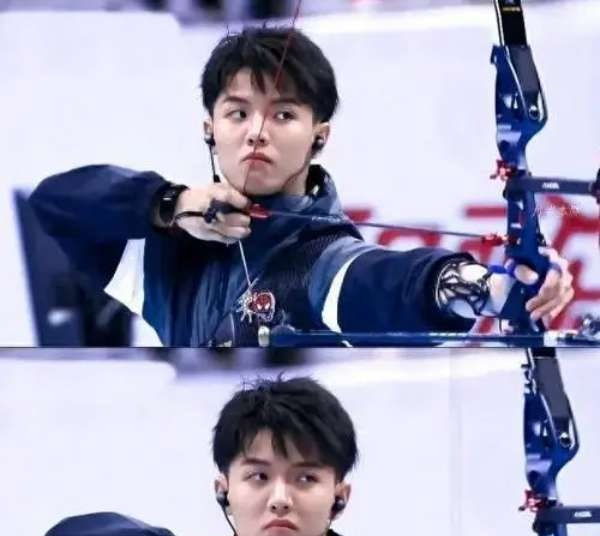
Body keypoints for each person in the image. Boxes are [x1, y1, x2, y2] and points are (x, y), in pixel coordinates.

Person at [29, 26, 574, 346]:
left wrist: (491, 288)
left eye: (283, 114)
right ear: (209, 129)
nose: (257, 132)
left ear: (319, 136)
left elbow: (387, 283)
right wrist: (169, 204)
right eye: (237, 113)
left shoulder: (324, 261)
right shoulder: (163, 255)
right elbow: (56, 203)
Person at [44, 376, 499, 536]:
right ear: (224, 490)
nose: (280, 498)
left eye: (306, 478)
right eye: (259, 476)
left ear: (339, 498)